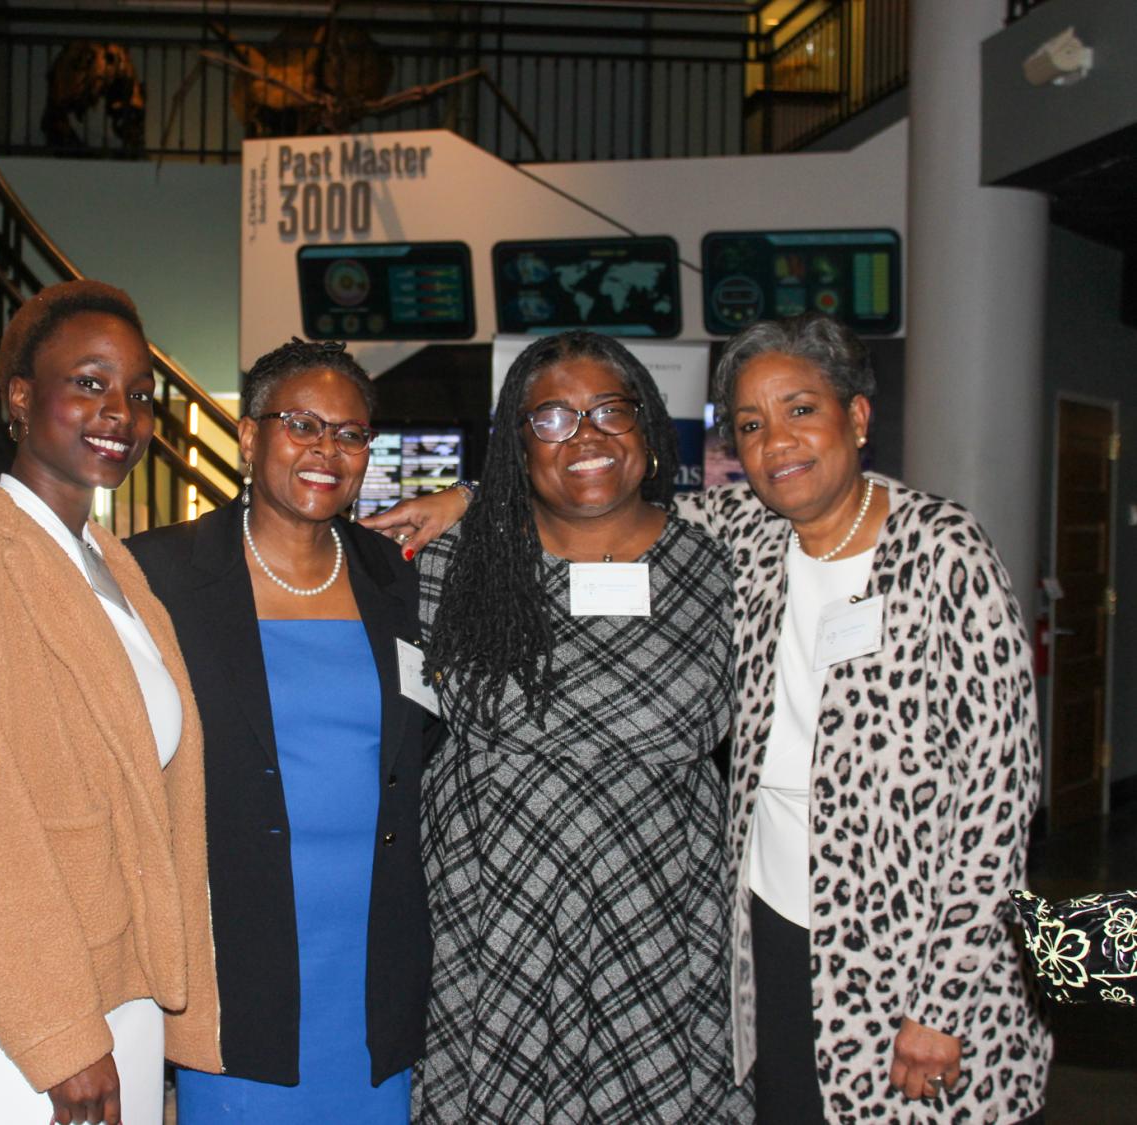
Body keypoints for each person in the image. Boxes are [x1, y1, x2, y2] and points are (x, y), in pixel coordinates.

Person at [370, 314, 1053, 1123]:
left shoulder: (941, 554)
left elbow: (997, 801)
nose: (779, 443)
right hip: (745, 918)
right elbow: (595, 491)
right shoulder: (750, 539)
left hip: (885, 933)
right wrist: (472, 496)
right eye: (753, 425)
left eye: (802, 411)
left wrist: (946, 994)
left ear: (857, 418)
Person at [0, 281, 221, 1125]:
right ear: (22, 399)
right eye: (90, 382)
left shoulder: (115, 571)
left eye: (141, 394)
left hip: (120, 988)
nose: (123, 411)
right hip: (17, 1016)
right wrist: (61, 1035)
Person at [409, 330, 746, 1122]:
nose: (586, 435)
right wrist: (466, 497)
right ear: (518, 445)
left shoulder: (720, 566)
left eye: (608, 410)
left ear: (649, 424)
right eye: (552, 417)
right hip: (495, 919)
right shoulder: (452, 564)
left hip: (660, 915)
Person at [128, 339, 432, 1123]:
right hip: (238, 956)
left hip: (373, 956)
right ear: (250, 435)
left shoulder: (395, 574)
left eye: (351, 433)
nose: (327, 449)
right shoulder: (161, 575)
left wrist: (461, 497)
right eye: (302, 424)